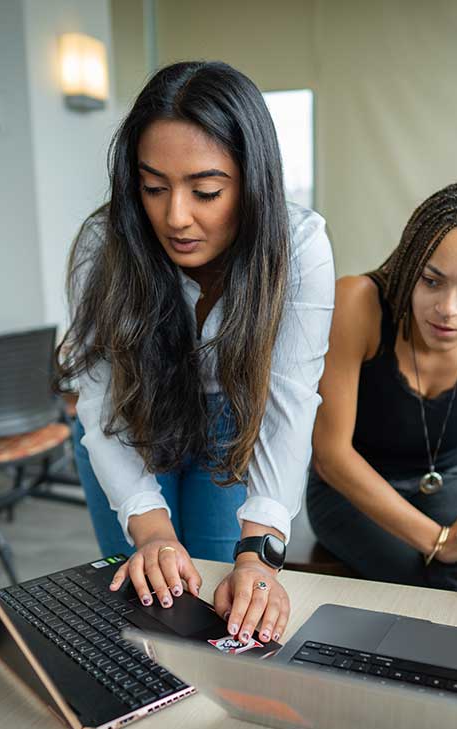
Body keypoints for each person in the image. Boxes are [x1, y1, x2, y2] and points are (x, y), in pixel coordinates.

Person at [58, 61, 335, 646]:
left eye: (205, 191)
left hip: (233, 426)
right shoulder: (103, 244)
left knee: (217, 604)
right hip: (129, 420)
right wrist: (152, 531)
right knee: (143, 601)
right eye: (153, 187)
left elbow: (289, 402)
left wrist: (260, 557)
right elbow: (99, 400)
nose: (175, 217)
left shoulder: (300, 246)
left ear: (251, 181)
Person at [309, 182, 457, 591]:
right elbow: (331, 456)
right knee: (425, 574)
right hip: (348, 489)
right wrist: (438, 542)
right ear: (410, 264)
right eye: (430, 280)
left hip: (446, 475)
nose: (447, 309)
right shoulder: (359, 302)